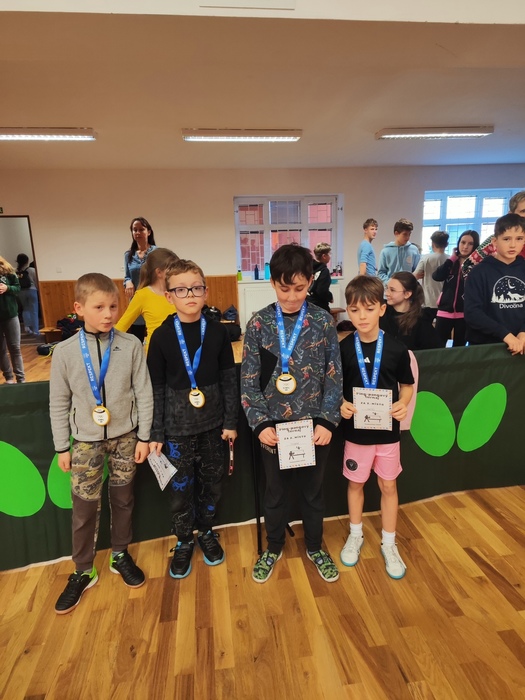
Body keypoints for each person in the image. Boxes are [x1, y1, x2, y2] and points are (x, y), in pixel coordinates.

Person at [49, 273, 153, 614]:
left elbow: (144, 393)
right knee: (83, 508)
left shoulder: (131, 345)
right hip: (85, 443)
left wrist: (144, 436)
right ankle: (83, 570)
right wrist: (62, 446)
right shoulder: (64, 352)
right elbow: (58, 402)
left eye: (113, 306)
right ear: (79, 308)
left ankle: (119, 554)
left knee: (123, 499)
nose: (108, 314)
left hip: (126, 438)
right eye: (99, 307)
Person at [241, 244, 343, 584]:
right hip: (273, 428)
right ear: (272, 283)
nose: (291, 296)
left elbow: (334, 376)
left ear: (310, 282)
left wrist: (327, 421)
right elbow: (248, 382)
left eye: (299, 288)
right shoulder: (259, 324)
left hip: (314, 427)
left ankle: (315, 547)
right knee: (275, 492)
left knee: (313, 492)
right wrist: (259, 423)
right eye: (284, 288)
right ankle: (273, 547)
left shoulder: (323, 322)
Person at [148, 259, 238, 579]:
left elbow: (229, 380)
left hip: (214, 427)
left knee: (212, 484)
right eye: (181, 290)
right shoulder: (161, 337)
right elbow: (156, 388)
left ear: (206, 292)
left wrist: (231, 422)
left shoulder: (217, 332)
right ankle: (184, 539)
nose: (190, 295)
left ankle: (207, 531)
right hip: (175, 431)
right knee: (180, 489)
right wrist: (156, 431)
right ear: (169, 296)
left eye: (196, 288)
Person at [339, 275, 414, 579]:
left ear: (382, 309)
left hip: (387, 434)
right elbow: (335, 389)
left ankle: (389, 543)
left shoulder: (396, 348)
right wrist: (341, 403)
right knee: (355, 484)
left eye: (369, 309)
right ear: (348, 310)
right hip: (356, 434)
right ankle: (355, 534)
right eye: (355, 310)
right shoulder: (343, 349)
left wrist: (403, 403)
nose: (362, 316)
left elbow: (407, 386)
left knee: (388, 486)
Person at [464, 214, 525, 352]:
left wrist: (523, 332)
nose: (513, 245)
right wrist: (505, 334)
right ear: (495, 241)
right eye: (506, 239)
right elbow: (472, 313)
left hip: (521, 346)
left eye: (519, 238)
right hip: (486, 348)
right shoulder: (479, 272)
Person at [115, 247, 179, 353]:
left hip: (180, 352)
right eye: (172, 269)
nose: (177, 273)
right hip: (155, 353)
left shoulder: (178, 292)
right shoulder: (142, 295)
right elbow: (121, 326)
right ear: (159, 272)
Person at [432, 230, 479, 346]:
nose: (465, 246)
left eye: (470, 244)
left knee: (459, 349)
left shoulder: (477, 266)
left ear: (475, 246)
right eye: (463, 242)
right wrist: (452, 259)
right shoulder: (451, 262)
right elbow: (437, 276)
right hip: (444, 311)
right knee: (437, 346)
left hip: (464, 313)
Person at [462, 191, 525, 277]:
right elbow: (466, 267)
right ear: (511, 214)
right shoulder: (496, 240)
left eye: (519, 239)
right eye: (523, 211)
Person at [381, 272, 443, 350]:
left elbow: (434, 351)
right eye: (387, 288)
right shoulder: (381, 312)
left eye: (392, 290)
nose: (386, 293)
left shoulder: (421, 321)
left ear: (407, 294)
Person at [123, 217, 157, 342]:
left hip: (153, 299)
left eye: (141, 229)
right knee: (136, 337)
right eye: (134, 230)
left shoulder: (156, 252)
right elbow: (127, 276)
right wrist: (128, 282)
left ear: (149, 232)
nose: (137, 232)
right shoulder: (128, 255)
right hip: (136, 300)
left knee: (155, 336)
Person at [414, 230, 449, 322]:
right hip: (445, 302)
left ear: (433, 244)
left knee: (425, 327)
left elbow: (415, 275)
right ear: (447, 244)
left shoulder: (426, 258)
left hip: (428, 301)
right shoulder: (450, 260)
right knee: (442, 329)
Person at [0, 255, 25, 384]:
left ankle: (21, 378)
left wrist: (7, 288)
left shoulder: (8, 271)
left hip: (10, 315)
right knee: (1, 350)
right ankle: (8, 378)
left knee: (15, 347)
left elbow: (17, 288)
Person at [377, 219, 420, 283]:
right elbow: (381, 273)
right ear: (396, 233)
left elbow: (416, 271)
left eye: (409, 234)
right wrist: (392, 283)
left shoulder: (414, 250)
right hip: (391, 287)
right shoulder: (385, 252)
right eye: (405, 234)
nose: (408, 237)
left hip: (408, 287)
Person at [16, 253, 40, 336]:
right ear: (27, 261)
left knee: (25, 309)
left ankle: (27, 327)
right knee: (34, 310)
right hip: (32, 290)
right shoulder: (32, 270)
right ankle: (35, 330)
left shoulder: (16, 271)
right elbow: (36, 281)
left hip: (21, 291)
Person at [307, 242, 333, 312]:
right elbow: (322, 291)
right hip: (319, 306)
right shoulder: (324, 271)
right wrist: (330, 297)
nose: (330, 256)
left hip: (308, 303)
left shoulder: (309, 268)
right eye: (329, 254)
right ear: (324, 256)